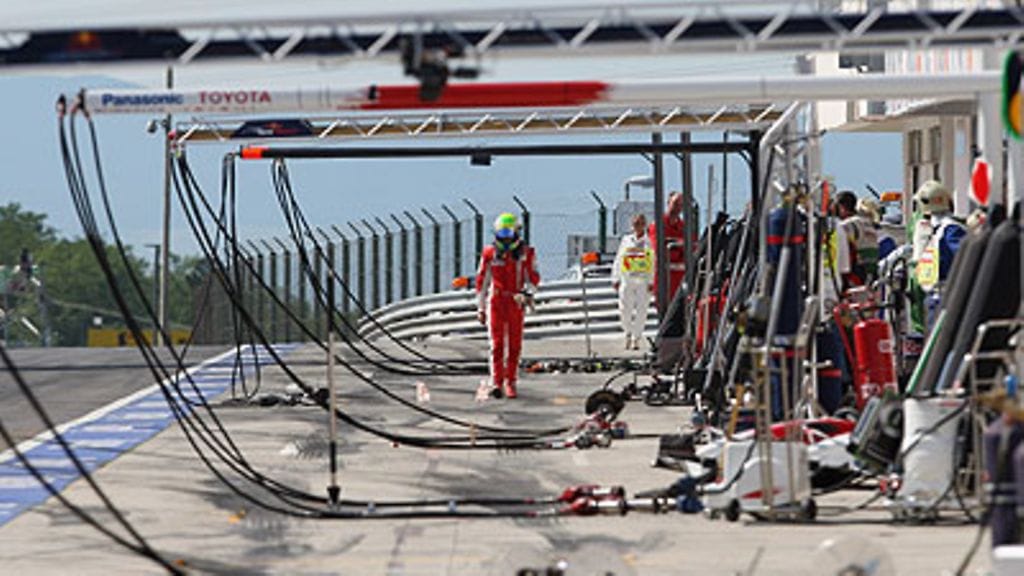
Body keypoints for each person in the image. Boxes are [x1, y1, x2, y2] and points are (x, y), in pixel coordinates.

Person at [475, 212, 540, 399]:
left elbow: (533, 278)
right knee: (496, 344)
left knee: (514, 344)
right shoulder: (489, 253)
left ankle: (511, 381)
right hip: (495, 301)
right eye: (501, 233)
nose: (504, 238)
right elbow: (482, 281)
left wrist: (527, 293)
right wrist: (480, 308)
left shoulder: (527, 253)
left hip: (515, 302)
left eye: (508, 233)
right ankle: (497, 381)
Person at [612, 213, 654, 350]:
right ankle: (627, 333)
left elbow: (653, 261)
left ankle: (637, 337)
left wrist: (652, 281)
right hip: (627, 278)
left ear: (645, 225)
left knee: (642, 309)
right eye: (635, 223)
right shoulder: (626, 240)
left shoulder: (649, 242)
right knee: (625, 308)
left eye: (641, 223)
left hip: (643, 279)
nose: (638, 226)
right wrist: (615, 277)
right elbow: (619, 259)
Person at [647, 191, 691, 304]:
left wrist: (673, 246)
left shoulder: (683, 227)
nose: (678, 208)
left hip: (680, 278)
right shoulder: (658, 225)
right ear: (668, 203)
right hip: (664, 278)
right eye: (675, 203)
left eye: (681, 205)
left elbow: (690, 249)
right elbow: (659, 250)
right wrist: (678, 250)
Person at [834, 190, 879, 290]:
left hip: (857, 274)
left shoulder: (848, 225)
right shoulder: (868, 223)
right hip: (872, 273)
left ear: (841, 207)